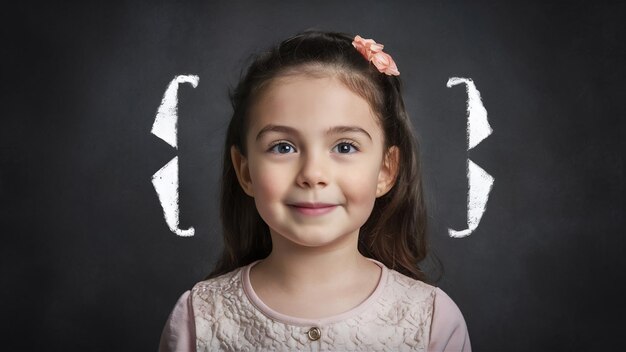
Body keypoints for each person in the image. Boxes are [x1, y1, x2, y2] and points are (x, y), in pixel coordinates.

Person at [158, 30, 471, 351]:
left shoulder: (431, 319)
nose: (312, 174)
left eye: (345, 147)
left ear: (385, 170)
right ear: (245, 170)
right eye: (282, 147)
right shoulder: (198, 319)